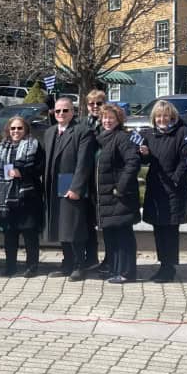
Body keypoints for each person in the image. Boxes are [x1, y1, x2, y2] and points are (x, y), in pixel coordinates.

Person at [41, 96, 96, 279]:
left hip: (71, 185)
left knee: (74, 227)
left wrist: (77, 188)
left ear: (73, 112)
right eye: (58, 111)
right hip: (53, 185)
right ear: (53, 113)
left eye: (65, 110)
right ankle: (67, 263)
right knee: (60, 226)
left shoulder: (82, 132)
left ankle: (80, 265)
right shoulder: (49, 133)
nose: (61, 114)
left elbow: (84, 164)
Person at [139, 100, 187, 282]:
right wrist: (143, 154)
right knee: (158, 229)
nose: (162, 119)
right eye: (159, 116)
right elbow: (145, 162)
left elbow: (186, 160)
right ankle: (163, 264)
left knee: (170, 230)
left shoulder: (181, 133)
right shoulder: (149, 135)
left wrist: (175, 180)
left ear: (172, 116)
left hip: (173, 189)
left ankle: (169, 268)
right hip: (155, 188)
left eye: (165, 115)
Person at [0, 116, 45, 277]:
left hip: (28, 195)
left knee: (29, 234)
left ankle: (32, 266)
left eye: (19, 128)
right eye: (13, 128)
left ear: (26, 129)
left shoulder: (34, 145)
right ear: (8, 130)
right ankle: (10, 266)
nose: (16, 131)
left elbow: (40, 168)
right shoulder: (2, 146)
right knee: (9, 234)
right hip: (6, 198)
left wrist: (22, 173)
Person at [95, 104, 141, 283]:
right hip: (105, 197)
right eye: (104, 118)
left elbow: (133, 163)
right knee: (111, 236)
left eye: (111, 118)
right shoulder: (102, 138)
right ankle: (114, 269)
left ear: (118, 120)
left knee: (123, 235)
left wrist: (120, 187)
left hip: (119, 196)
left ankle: (127, 272)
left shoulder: (122, 137)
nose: (107, 121)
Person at [80, 89, 108, 269]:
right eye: (92, 104)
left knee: (106, 221)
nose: (95, 107)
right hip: (85, 177)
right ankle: (91, 257)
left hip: (104, 177)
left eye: (99, 103)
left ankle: (110, 258)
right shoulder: (81, 123)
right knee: (87, 220)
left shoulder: (109, 122)